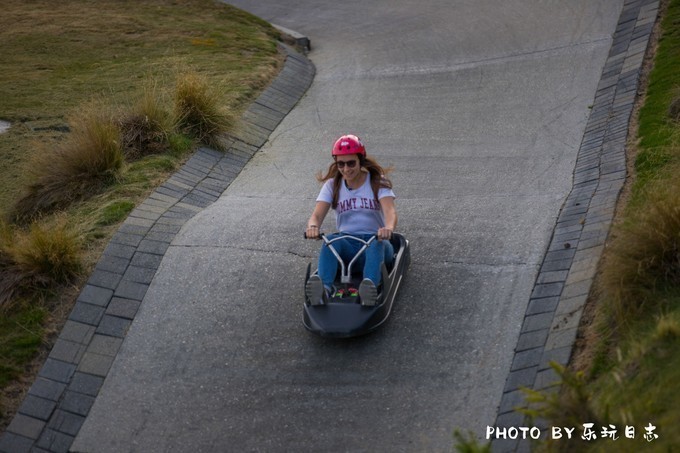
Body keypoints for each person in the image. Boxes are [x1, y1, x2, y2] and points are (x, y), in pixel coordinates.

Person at [305, 134, 398, 306]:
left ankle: (370, 289)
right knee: (331, 241)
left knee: (376, 244)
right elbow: (317, 215)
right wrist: (313, 226)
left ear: (360, 160)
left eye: (351, 163)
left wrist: (388, 228)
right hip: (348, 247)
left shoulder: (377, 182)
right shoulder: (333, 186)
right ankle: (323, 290)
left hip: (375, 242)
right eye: (341, 164)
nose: (346, 169)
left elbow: (390, 211)